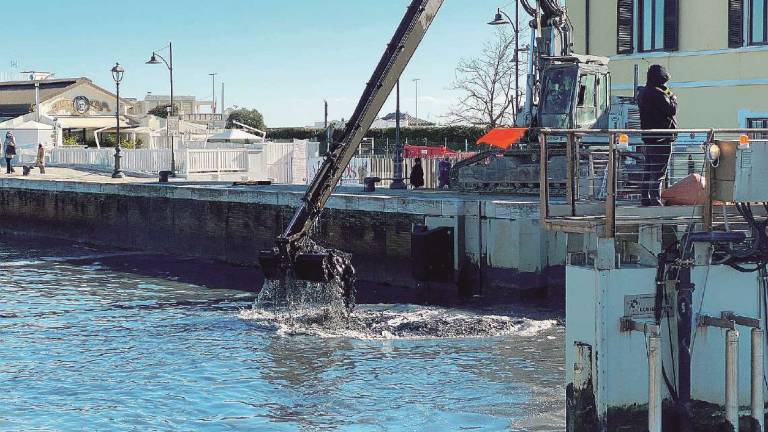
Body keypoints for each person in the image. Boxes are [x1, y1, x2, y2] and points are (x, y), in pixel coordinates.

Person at [638, 64, 677, 207]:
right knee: (660, 171)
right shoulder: (659, 94)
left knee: (648, 169)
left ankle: (645, 198)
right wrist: (672, 97)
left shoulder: (642, 93)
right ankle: (656, 200)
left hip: (648, 139)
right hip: (662, 138)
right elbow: (671, 110)